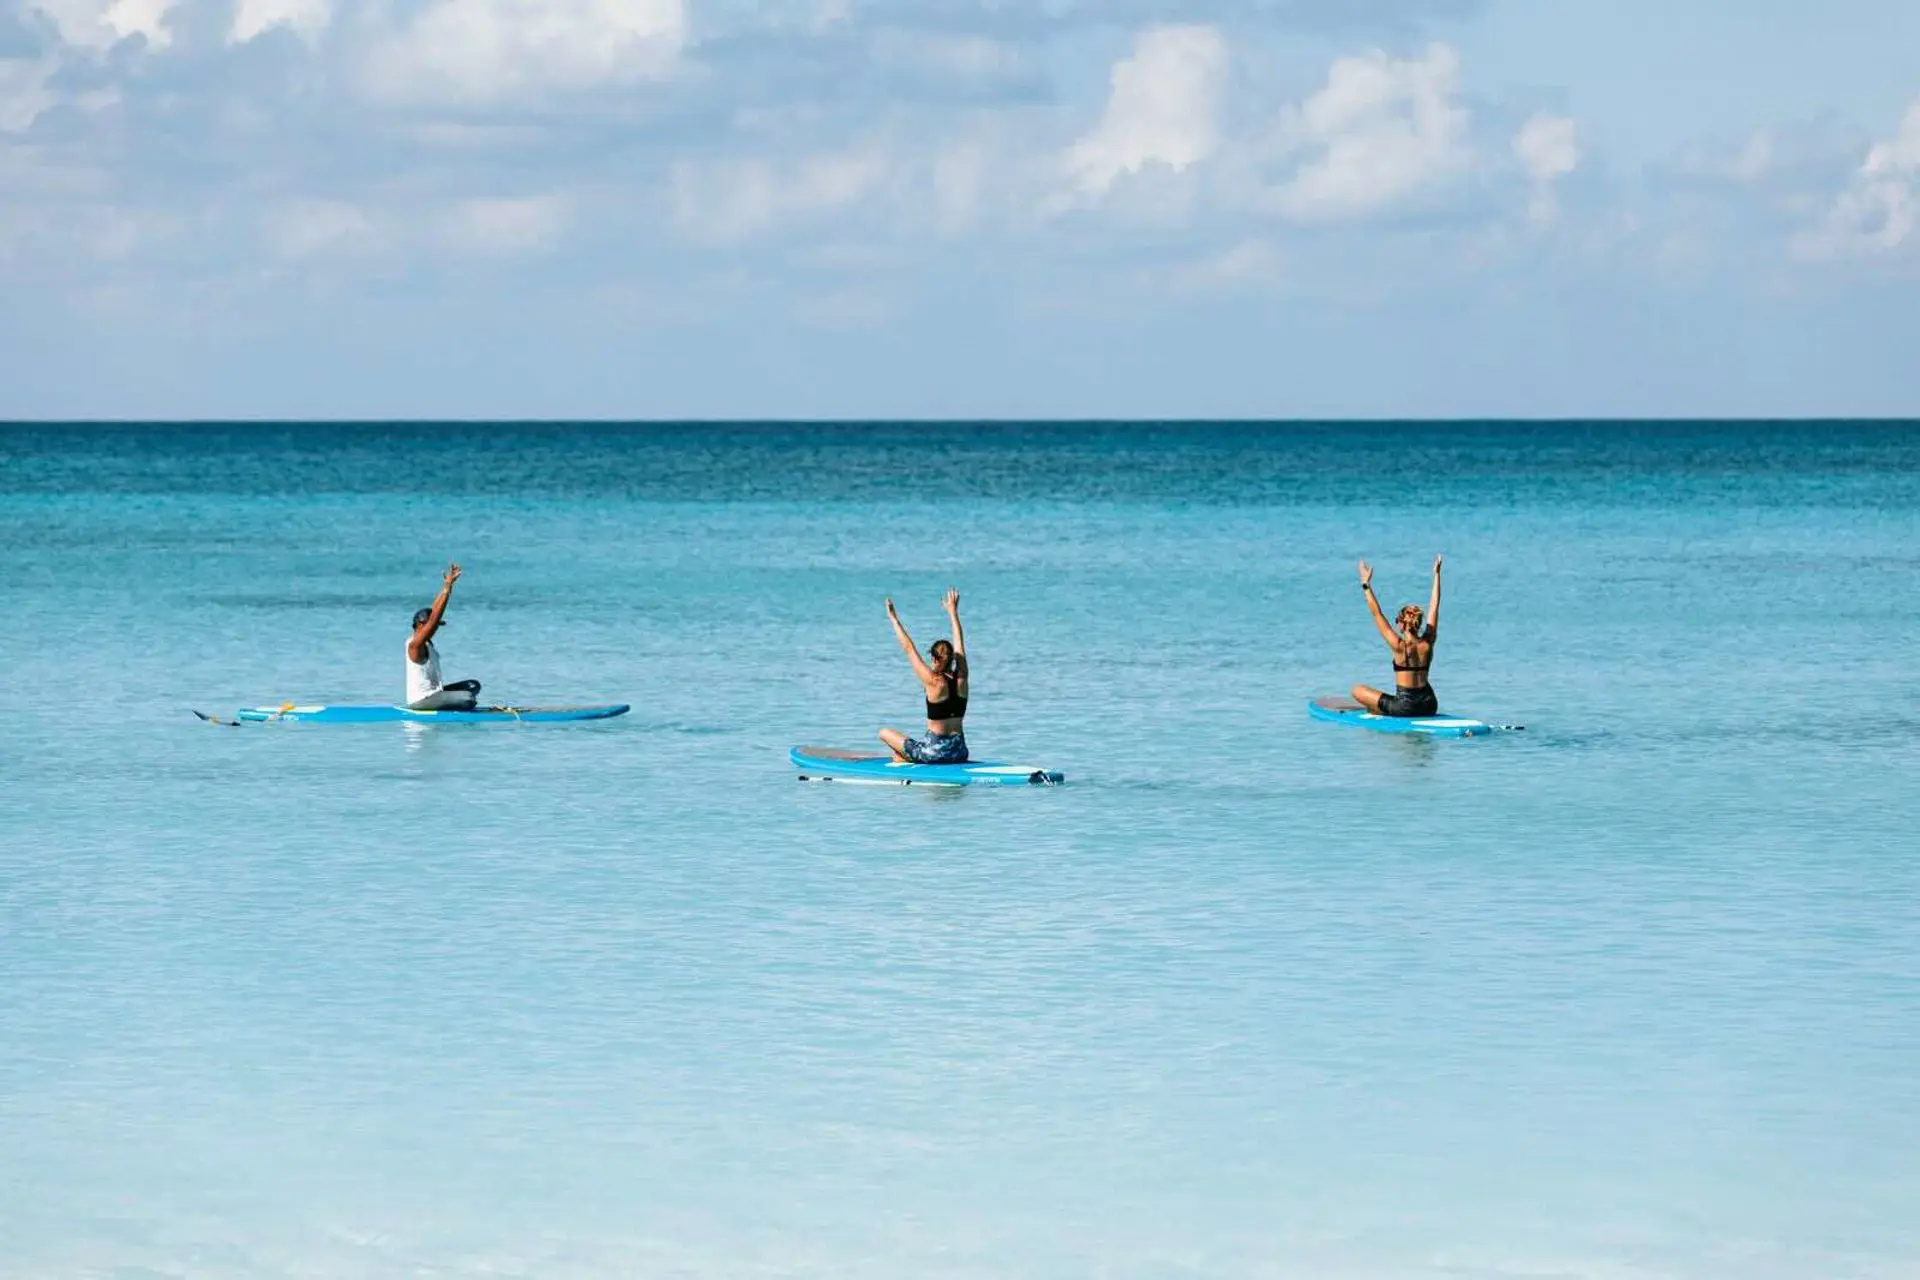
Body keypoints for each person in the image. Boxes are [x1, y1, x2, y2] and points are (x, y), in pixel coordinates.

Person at [879, 588, 969, 763]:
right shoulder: (962, 678)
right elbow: (960, 645)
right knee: (905, 751)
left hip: (933, 754)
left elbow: (908, 648)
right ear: (952, 659)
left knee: (883, 733)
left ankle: (902, 758)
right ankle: (901, 757)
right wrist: (953, 612)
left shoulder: (933, 681)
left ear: (934, 659)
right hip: (960, 752)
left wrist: (893, 618)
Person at [1351, 555, 1443, 717]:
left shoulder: (1399, 646)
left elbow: (1376, 614)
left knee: (1357, 690)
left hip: (1405, 708)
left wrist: (1366, 585)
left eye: (1396, 621)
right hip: (1429, 704)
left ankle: (1378, 711)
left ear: (1402, 623)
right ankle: (1381, 709)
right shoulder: (1428, 642)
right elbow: (1434, 606)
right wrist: (1437, 574)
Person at [406, 563, 483, 710]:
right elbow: (434, 617)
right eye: (433, 626)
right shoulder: (414, 646)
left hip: (436, 694)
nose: (435, 630)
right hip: (422, 700)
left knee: (473, 686)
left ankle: (449, 704)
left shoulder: (427, 643)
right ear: (421, 625)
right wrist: (447, 588)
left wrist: (448, 585)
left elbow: (433, 613)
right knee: (467, 698)